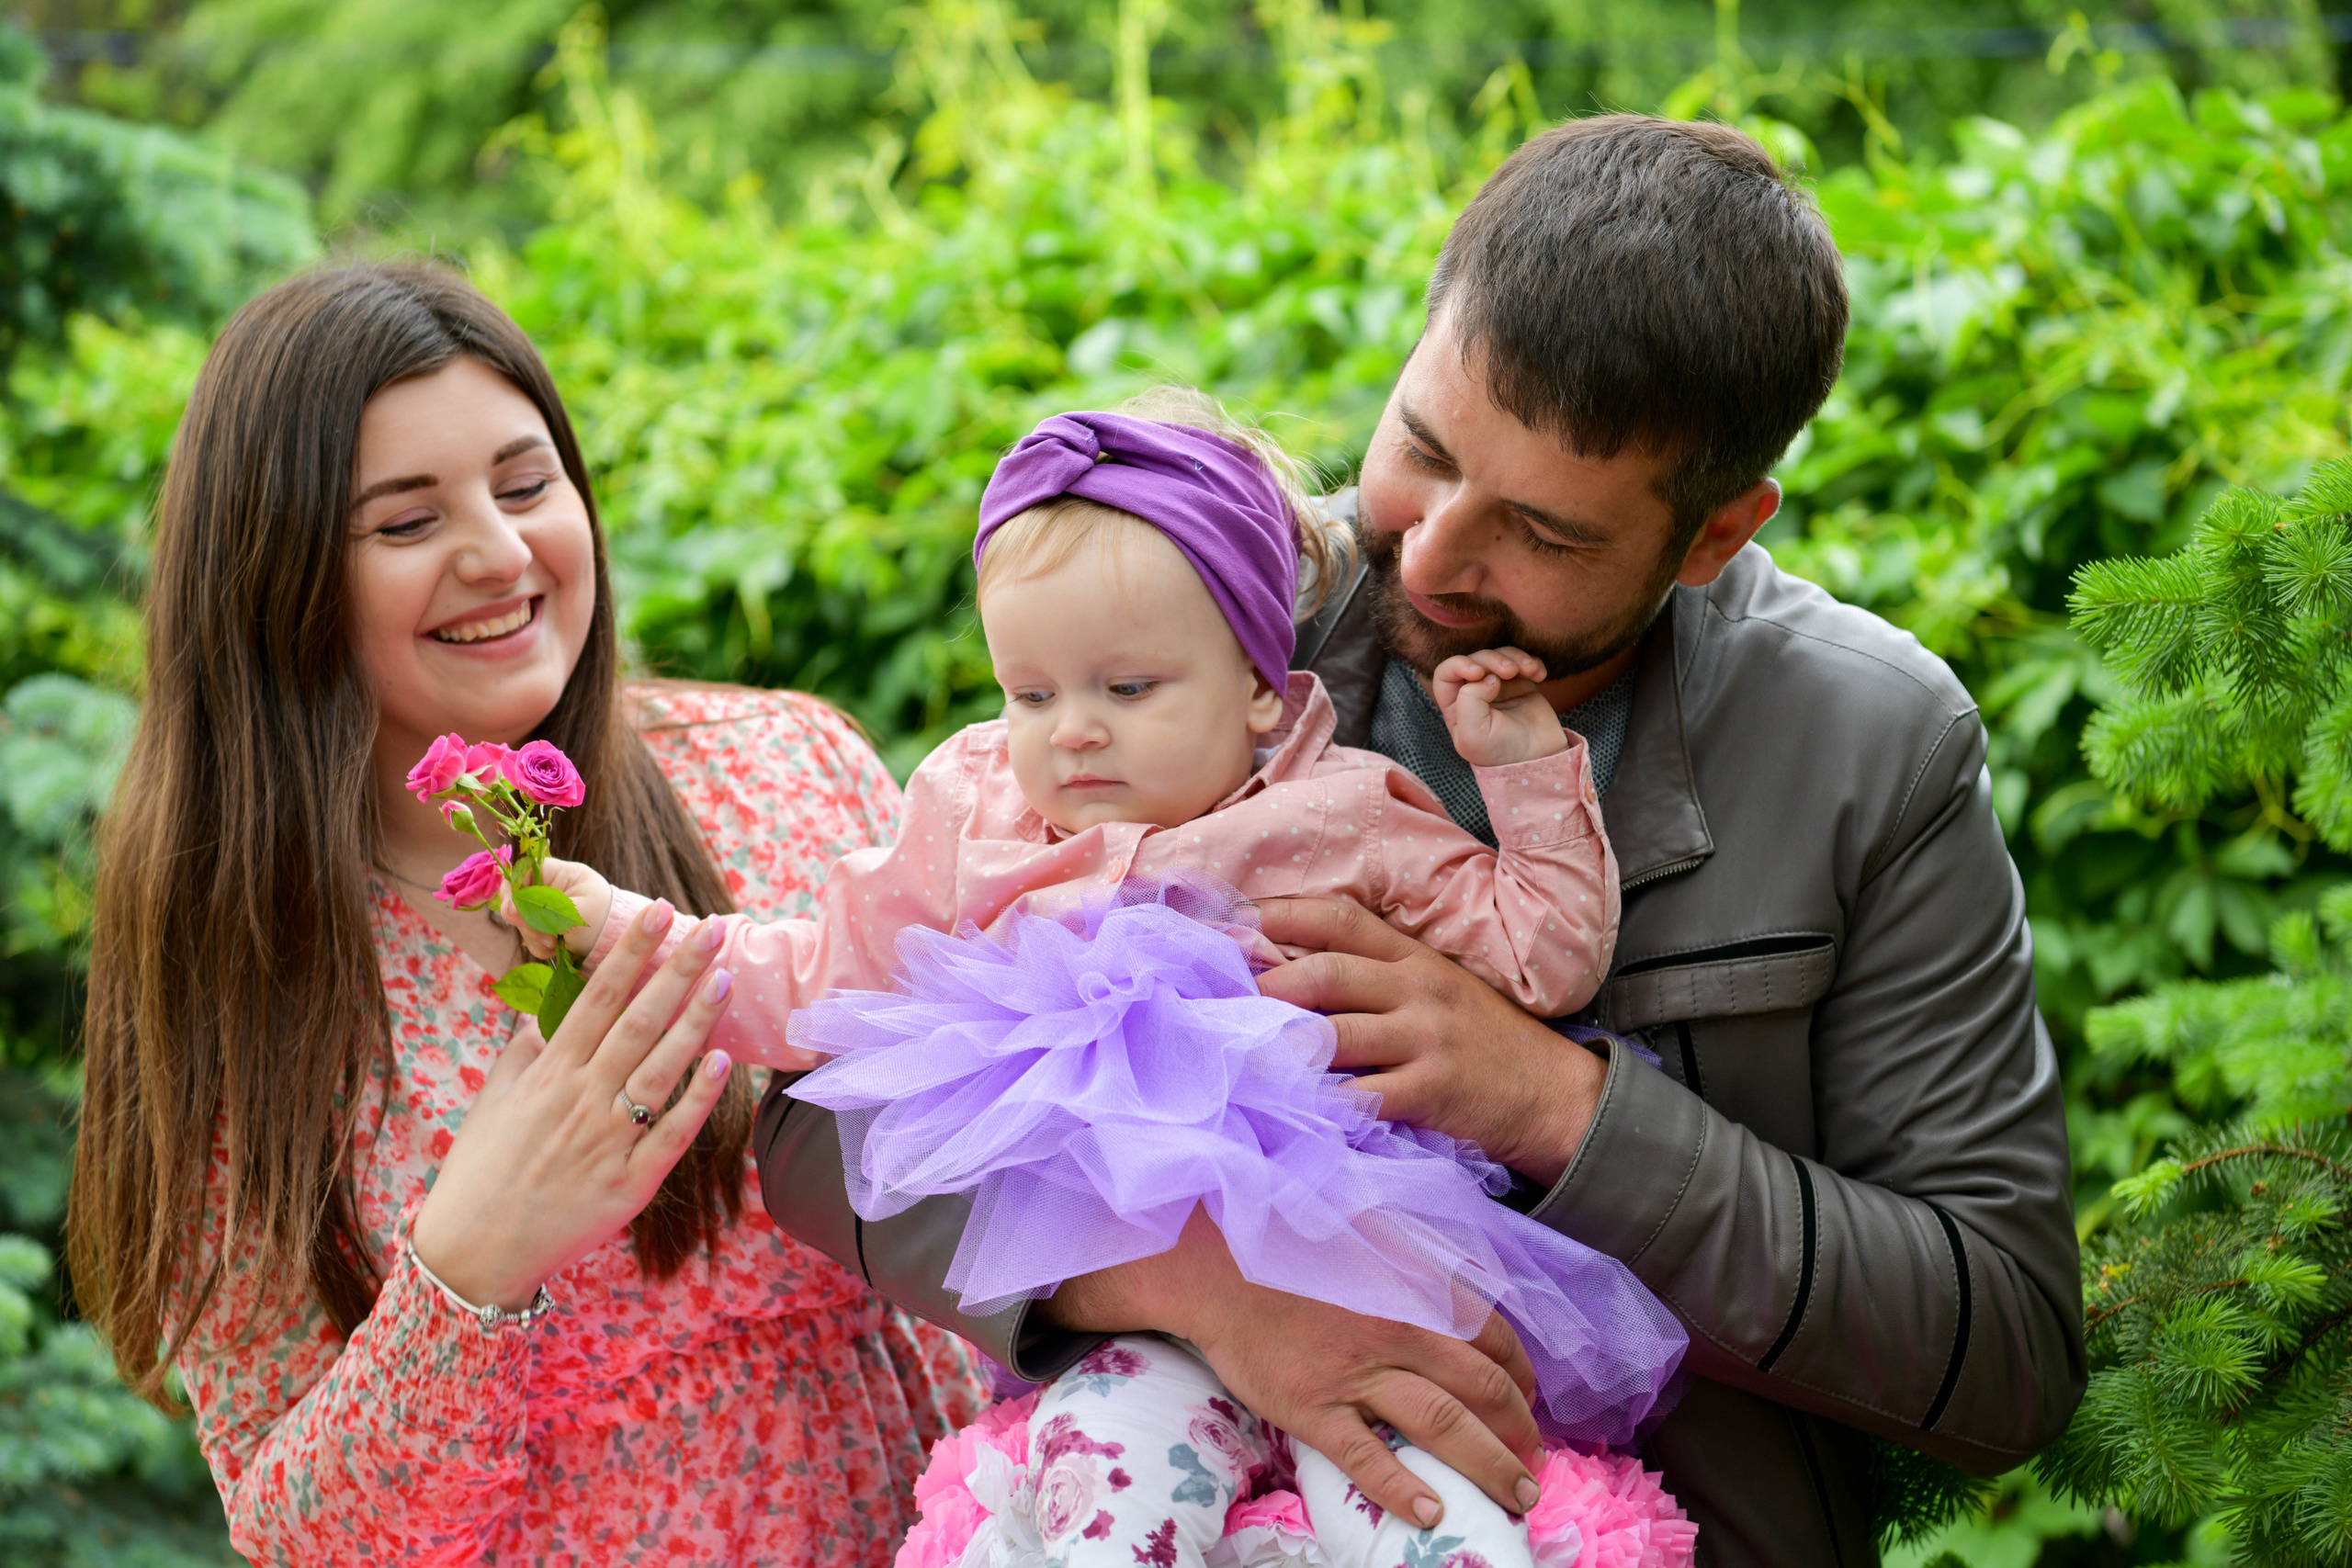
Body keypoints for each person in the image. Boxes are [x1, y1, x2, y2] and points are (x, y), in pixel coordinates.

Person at [757, 116, 2086, 1565]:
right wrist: (1201, 1281)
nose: (1435, 553)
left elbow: (2001, 1348)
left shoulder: (1870, 744)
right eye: (1422, 449)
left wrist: (1560, 1107)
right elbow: (825, 1126)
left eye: (1545, 532)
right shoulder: (1208, 617)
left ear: (1715, 533)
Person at [515, 390, 1690, 1568]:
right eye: (1032, 693)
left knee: (1420, 1499)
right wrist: (626, 930)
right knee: (1103, 1475)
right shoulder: (978, 815)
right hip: (1136, 1305)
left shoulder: (1337, 817)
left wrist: (1523, 772)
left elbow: (1538, 956)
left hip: (1354, 1269)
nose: (1071, 731)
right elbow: (813, 972)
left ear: (1256, 690)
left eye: (1127, 691)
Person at [63, 262, 987, 1565]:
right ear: (276, 581)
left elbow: (1024, 1177)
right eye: (403, 522)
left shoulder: (793, 770)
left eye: (524, 483)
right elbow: (298, 1534)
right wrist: (471, 1253)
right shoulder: (241, 963)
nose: (499, 554)